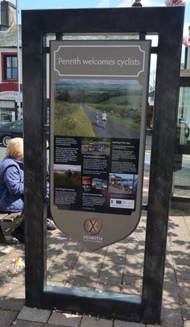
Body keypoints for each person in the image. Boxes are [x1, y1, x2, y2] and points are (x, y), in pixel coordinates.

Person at [0, 137, 55, 244]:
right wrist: (31, 186)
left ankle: (39, 222)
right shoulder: (10, 167)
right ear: (17, 152)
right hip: (8, 201)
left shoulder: (16, 162)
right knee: (36, 202)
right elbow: (15, 189)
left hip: (13, 198)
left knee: (44, 194)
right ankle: (21, 231)